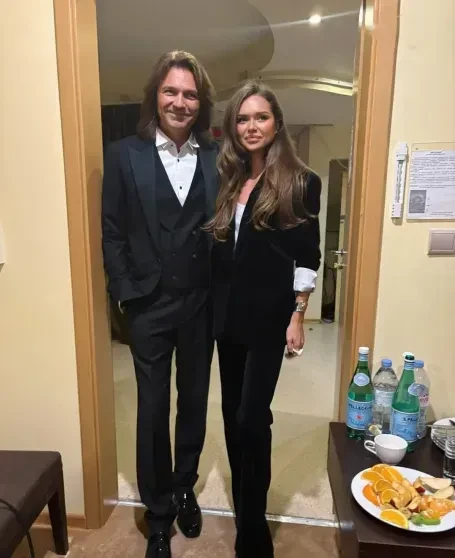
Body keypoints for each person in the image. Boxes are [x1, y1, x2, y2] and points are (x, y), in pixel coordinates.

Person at [102, 51, 218, 558]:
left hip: (201, 303)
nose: (180, 102)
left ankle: (185, 486)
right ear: (155, 95)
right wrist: (126, 292)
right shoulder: (123, 154)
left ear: (200, 102)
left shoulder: (217, 156)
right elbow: (112, 231)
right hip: (148, 305)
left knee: (193, 402)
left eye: (190, 94)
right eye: (171, 91)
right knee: (152, 411)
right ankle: (158, 516)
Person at [206, 81, 321, 558]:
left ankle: (254, 529)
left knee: (253, 419)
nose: (251, 127)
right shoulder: (229, 179)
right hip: (227, 318)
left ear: (277, 124)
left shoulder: (301, 181)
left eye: (260, 117)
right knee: (232, 417)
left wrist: (298, 315)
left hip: (270, 318)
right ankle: (244, 510)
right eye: (242, 119)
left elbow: (307, 256)